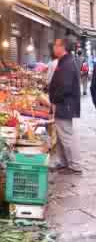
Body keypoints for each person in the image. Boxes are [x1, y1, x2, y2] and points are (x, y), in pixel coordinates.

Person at [49, 38, 81, 174]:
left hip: (64, 104)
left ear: (63, 47)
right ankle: (63, 162)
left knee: (66, 136)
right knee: (61, 136)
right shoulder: (65, 62)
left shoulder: (67, 64)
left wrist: (54, 100)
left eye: (56, 45)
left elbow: (65, 87)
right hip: (63, 104)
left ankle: (75, 165)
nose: (54, 48)